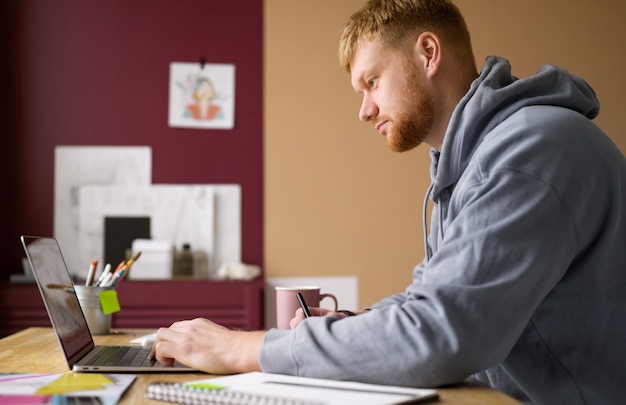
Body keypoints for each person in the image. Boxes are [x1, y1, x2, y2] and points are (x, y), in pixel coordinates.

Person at [153, 1, 626, 403]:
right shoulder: (469, 164)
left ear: (427, 52)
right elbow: (437, 305)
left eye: (372, 82)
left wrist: (242, 349)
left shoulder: (528, 152)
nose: (364, 110)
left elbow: (440, 335)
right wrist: (353, 328)